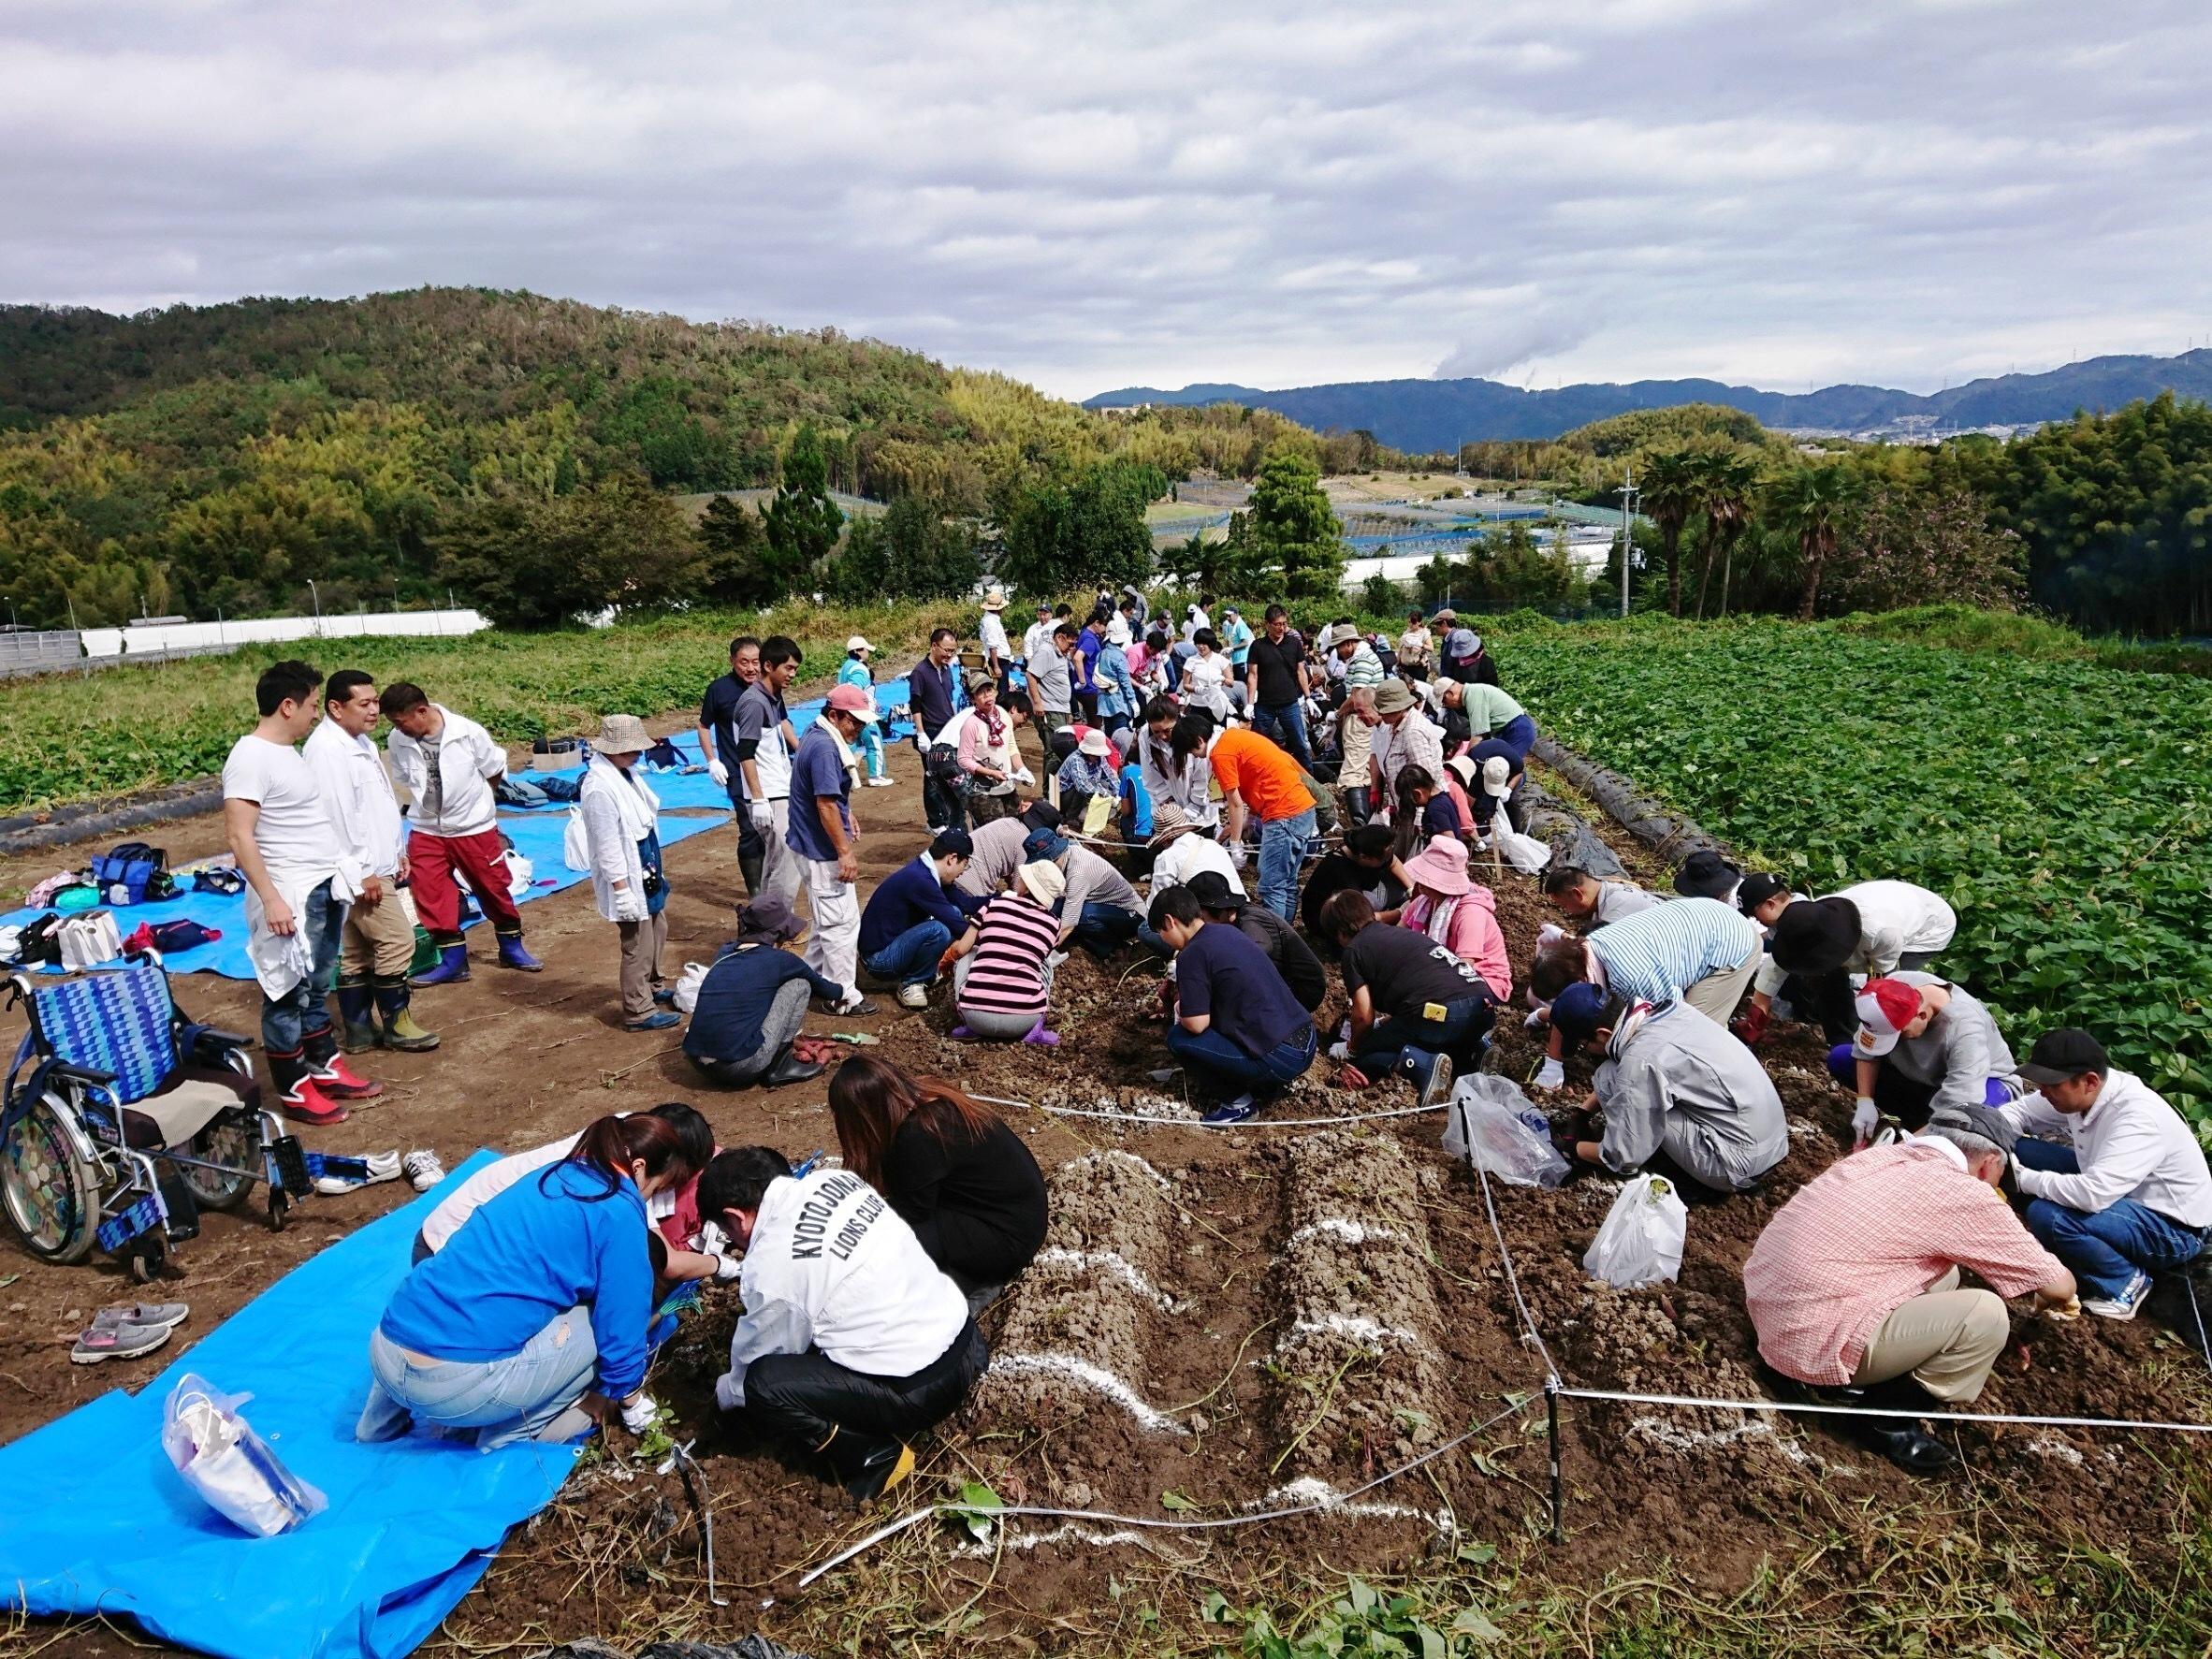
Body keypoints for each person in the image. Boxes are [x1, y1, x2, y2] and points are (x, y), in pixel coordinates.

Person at [1744, 1123, 2076, 1473]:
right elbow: (2060, 1287)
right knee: (1986, 1315)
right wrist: (2046, 1305)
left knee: (1945, 1274)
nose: (1996, 1186)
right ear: (1988, 1164)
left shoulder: (1882, 1157)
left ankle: (1838, 1374)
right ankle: (1886, 1423)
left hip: (1770, 1310)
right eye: (1999, 1177)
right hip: (1807, 1345)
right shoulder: (1966, 1193)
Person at [357, 1114, 699, 1449]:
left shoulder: (549, 1176)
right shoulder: (618, 1208)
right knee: (595, 1323)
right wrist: (632, 1402)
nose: (649, 1200)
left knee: (434, 1302)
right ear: (639, 1168)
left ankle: (376, 1427)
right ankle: (511, 1436)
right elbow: (621, 1324)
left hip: (386, 1349)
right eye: (657, 1188)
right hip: (453, 1390)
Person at [701, 1145, 984, 1497]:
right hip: (967, 1342)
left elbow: (755, 1364)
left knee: (765, 1386)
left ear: (736, 1217)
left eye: (728, 1234)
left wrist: (724, 1397)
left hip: (920, 1390)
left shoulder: (771, 1267)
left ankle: (875, 1456)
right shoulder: (837, 1180)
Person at [225, 660, 379, 1126]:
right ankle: (293, 1087)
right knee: (286, 991)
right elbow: (240, 837)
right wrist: (272, 898)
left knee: (316, 985)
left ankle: (323, 1066)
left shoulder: (287, 752)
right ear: (287, 705)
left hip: (320, 885)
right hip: (289, 891)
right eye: (312, 705)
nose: (315, 715)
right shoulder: (250, 757)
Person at [1999, 1028, 2212, 1319]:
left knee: (2050, 1215)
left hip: (2170, 1227)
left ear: (2089, 1081)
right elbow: (2017, 1113)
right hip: (2118, 1192)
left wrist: (2022, 1180)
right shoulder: (2084, 1095)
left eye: (2051, 1085)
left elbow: (2092, 1195)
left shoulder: (2137, 1118)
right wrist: (1993, 1144)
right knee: (2020, 1150)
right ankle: (2078, 1253)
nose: (2042, 1091)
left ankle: (2125, 1282)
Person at [827, 1056, 1047, 1312]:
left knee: (895, 1248)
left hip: (1007, 1239)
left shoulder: (918, 1134)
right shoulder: (930, 1098)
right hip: (1020, 1218)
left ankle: (966, 1286)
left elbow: (910, 1215)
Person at [303, 669, 436, 1055]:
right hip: (360, 872)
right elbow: (339, 818)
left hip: (376, 865)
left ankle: (360, 1030)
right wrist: (363, 872)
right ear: (335, 707)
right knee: (397, 940)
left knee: (358, 950)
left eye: (376, 701)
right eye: (365, 703)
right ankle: (398, 1023)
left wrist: (397, 850)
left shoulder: (357, 741)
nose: (375, 709)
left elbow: (375, 805)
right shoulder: (328, 751)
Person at [1549, 983, 1787, 1197]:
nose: (1587, 1051)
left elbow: (1622, 1156)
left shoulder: (1641, 1060)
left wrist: (1573, 1149)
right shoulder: (1673, 1011)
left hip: (1736, 1166)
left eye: (1583, 1044)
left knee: (1615, 1087)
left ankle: (1690, 1181)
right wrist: (1582, 1112)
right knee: (1610, 1074)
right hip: (1771, 1143)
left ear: (1603, 1034)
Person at [415, 1101, 720, 1264]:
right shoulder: (616, 1183)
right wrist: (718, 1265)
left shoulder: (623, 1130)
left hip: (445, 1233)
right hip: (446, 1252)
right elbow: (667, 1262)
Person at [384, 680, 543, 982]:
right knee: (430, 891)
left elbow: (494, 768)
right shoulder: (398, 740)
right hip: (427, 828)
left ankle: (511, 946)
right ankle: (454, 961)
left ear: (421, 711)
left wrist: (481, 806)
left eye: (400, 722)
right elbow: (405, 777)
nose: (397, 729)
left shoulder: (467, 733)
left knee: (491, 886)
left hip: (473, 827)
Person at [1527, 896, 1761, 1090]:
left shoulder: (1635, 979)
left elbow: (1670, 1020)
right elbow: (1571, 1002)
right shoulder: (1582, 953)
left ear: (1581, 980)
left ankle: (1730, 1083)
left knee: (1689, 1038)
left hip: (1730, 940)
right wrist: (1553, 1062)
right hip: (1699, 920)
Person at [1145, 885, 1317, 1124]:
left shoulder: (1192, 955)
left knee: (1179, 1039)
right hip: (1306, 1039)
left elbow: (1196, 1024)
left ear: (1170, 921)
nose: (1163, 939)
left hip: (1282, 1058)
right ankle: (1263, 1083)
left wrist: (1178, 1009)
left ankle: (1238, 1105)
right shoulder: (1228, 932)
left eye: (1160, 932)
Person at [1317, 889, 1486, 1104]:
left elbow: (1363, 1017)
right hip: (1480, 1006)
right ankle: (1474, 1052)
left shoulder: (1355, 951)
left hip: (1440, 1013)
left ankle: (1421, 1064)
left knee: (1370, 1052)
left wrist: (1352, 1049)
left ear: (1340, 934)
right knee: (1422, 1032)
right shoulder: (1405, 935)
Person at [1745, 880, 1960, 1046]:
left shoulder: (1882, 933)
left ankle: (1873, 1047)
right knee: (1828, 982)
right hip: (1889, 900)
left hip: (1928, 927)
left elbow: (1880, 983)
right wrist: (1756, 1017)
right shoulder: (1807, 921)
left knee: (1892, 997)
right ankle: (1840, 1040)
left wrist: (1872, 1019)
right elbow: (1774, 969)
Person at [1831, 973, 2021, 1146]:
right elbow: (1865, 1051)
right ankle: (1920, 1119)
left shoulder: (1965, 1029)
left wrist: (1906, 1148)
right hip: (1925, 1078)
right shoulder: (1889, 992)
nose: (1896, 1041)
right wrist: (1865, 1100)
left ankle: (1925, 1128)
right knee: (1841, 1058)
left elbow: (1960, 1102)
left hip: (1982, 1085)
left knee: (1970, 1121)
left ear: (1921, 1015)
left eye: (1899, 1035)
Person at [575, 715, 677, 1030]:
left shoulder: (626, 774)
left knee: (657, 929)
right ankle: (638, 1009)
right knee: (637, 944)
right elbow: (607, 847)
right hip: (629, 875)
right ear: (610, 750)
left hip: (646, 866)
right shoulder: (599, 790)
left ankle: (654, 986)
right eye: (630, 749)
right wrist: (621, 890)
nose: (637, 755)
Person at [684, 896, 844, 1087]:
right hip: (739, 1068)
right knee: (800, 985)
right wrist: (845, 990)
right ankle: (780, 1066)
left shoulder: (725, 953)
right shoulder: (780, 960)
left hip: (698, 1063)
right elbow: (829, 991)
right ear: (778, 933)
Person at [789, 685, 880, 1015]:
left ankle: (810, 980)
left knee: (827, 920)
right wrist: (844, 851)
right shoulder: (826, 747)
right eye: (853, 721)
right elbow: (825, 803)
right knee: (841, 925)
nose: (859, 728)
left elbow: (831, 796)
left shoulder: (817, 732)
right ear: (834, 715)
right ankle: (841, 996)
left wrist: (847, 812)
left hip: (808, 843)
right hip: (820, 850)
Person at [1199, 719, 1317, 924]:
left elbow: (1234, 804)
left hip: (1284, 815)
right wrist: (1250, 820)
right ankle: (1286, 935)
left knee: (1271, 885)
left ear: (1199, 741)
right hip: (1301, 808)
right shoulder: (1234, 737)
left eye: (1192, 752)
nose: (1196, 757)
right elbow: (1260, 777)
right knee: (1286, 882)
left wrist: (1235, 846)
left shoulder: (1220, 754)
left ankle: (1276, 941)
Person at [859, 829, 982, 1010]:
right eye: (965, 864)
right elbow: (959, 928)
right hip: (878, 960)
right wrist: (994, 944)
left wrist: (1001, 900)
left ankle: (926, 972)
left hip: (893, 944)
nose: (963, 872)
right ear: (952, 859)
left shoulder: (928, 872)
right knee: (939, 929)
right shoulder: (920, 880)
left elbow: (966, 905)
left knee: (953, 912)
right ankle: (911, 984)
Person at [953, 860, 1066, 1045]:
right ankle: (1035, 1030)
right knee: (1043, 965)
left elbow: (961, 948)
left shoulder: (994, 905)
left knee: (970, 953)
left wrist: (949, 959)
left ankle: (970, 1026)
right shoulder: (1054, 924)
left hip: (976, 1016)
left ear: (1027, 887)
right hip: (1023, 1019)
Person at [1186, 870, 1326, 1011]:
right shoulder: (1232, 921)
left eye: (1201, 918)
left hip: (1303, 989)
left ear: (1216, 909)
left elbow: (1250, 960)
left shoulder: (1251, 922)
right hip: (1284, 983)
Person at [735, 635, 806, 910]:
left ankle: (763, 923)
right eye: (788, 668)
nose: (792, 674)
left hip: (778, 789)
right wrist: (759, 798)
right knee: (788, 861)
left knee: (776, 862)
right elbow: (746, 752)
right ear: (767, 665)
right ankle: (776, 926)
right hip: (769, 795)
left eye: (795, 669)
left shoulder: (772, 697)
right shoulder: (753, 703)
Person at [1398, 837, 1511, 1001]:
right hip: (1444, 972)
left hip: (1481, 981)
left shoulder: (1470, 912)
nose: (1420, 881)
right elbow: (1397, 936)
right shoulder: (1424, 901)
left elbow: (1464, 967)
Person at [697, 634, 766, 890]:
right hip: (737, 771)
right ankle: (755, 893)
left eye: (756, 662)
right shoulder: (719, 690)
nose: (751, 668)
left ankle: (772, 886)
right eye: (744, 662)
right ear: (732, 662)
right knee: (749, 829)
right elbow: (704, 726)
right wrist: (712, 760)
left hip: (768, 769)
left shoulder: (768, 686)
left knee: (773, 827)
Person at [1020, 824, 1144, 956]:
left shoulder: (1078, 873)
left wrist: (1039, 953)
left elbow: (1067, 925)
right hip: (1103, 905)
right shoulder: (1069, 854)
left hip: (1131, 915)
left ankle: (1116, 948)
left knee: (1082, 916)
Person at [942, 676, 1033, 826]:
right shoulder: (972, 724)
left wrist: (1022, 768)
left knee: (1016, 827)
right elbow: (963, 760)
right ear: (973, 699)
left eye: (989, 690)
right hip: (984, 791)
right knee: (996, 834)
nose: (986, 696)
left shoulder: (1003, 715)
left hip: (1007, 786)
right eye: (980, 692)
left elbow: (1011, 746)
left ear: (995, 692)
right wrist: (991, 773)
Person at [1301, 822, 1410, 938]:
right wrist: (1401, 913)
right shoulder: (1341, 872)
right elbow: (1360, 918)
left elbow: (1393, 863)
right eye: (1382, 860)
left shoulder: (1363, 848)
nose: (1386, 860)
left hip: (1361, 901)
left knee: (1401, 886)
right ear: (1364, 857)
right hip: (1332, 922)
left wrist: (1411, 888)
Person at [1244, 604, 1314, 768]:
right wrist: (1250, 703)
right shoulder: (1258, 646)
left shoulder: (1294, 643)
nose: (1281, 628)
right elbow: (1253, 675)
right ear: (1267, 624)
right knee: (1256, 744)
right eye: (1277, 624)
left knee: (1301, 745)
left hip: (1289, 703)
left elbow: (1300, 671)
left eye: (1284, 623)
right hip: (1265, 705)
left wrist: (1308, 696)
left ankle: (1310, 780)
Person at [910, 629, 964, 831]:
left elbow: (950, 698)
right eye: (946, 650)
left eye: (952, 651)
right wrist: (921, 732)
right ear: (934, 646)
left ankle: (948, 816)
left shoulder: (947, 669)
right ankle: (935, 822)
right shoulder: (920, 672)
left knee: (949, 773)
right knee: (933, 776)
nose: (949, 654)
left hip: (947, 728)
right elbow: (915, 704)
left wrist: (955, 721)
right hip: (931, 729)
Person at [1332, 624, 1386, 822]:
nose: (1338, 652)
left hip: (1360, 719)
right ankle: (1370, 822)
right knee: (1364, 771)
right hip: (1365, 719)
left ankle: (1360, 824)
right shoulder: (1365, 657)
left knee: (1352, 773)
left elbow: (1357, 697)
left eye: (1339, 647)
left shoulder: (1362, 661)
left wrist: (1337, 714)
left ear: (1348, 644)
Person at [1137, 696, 1212, 832]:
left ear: (1177, 720)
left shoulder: (1192, 733)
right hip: (1171, 812)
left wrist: (1193, 808)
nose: (1163, 736)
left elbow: (1203, 778)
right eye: (1156, 731)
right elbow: (1152, 779)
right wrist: (1172, 806)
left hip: (1200, 812)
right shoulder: (1144, 736)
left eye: (1167, 730)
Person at [1369, 678, 1445, 810]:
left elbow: (1423, 784)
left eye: (1383, 711)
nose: (1379, 714)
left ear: (1396, 709)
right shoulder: (1397, 724)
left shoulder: (1412, 732)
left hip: (1420, 811)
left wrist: (1414, 821)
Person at [838, 636, 895, 789]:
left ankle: (848, 778)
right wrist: (861, 711)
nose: (867, 652)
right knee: (874, 742)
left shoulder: (846, 666)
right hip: (860, 713)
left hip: (846, 713)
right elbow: (854, 690)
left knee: (851, 744)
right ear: (857, 651)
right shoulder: (859, 669)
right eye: (865, 650)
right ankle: (876, 776)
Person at [1542, 866, 1666, 931]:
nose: (1567, 911)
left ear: (1577, 894)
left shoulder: (1616, 909)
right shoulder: (1611, 891)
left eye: (1565, 905)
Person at [1056, 728, 1120, 832]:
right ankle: (1070, 818)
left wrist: (1117, 793)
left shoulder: (1100, 758)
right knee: (1087, 787)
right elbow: (1082, 786)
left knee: (1105, 784)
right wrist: (1106, 795)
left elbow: (1110, 776)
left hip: (1084, 789)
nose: (1097, 756)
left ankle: (1088, 813)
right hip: (1064, 795)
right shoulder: (1076, 759)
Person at [1028, 621, 1078, 746]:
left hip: (1059, 710)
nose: (1072, 648)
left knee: (1058, 750)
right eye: (1070, 644)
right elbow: (1031, 675)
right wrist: (1037, 703)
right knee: (1054, 752)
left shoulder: (1060, 653)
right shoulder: (1046, 651)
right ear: (1060, 637)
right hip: (1050, 710)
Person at [1178, 627, 1235, 722]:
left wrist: (1222, 679)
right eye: (1198, 643)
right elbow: (1185, 685)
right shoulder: (1191, 661)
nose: (1201, 646)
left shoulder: (1220, 660)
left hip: (1217, 704)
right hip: (1198, 705)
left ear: (1211, 644)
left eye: (1204, 644)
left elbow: (1231, 683)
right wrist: (1196, 689)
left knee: (1218, 733)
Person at [1096, 617, 1138, 735]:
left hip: (1104, 702)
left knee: (1109, 737)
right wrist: (1133, 701)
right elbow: (1125, 682)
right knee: (1120, 739)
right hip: (1119, 703)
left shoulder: (1100, 654)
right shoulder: (1119, 657)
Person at [978, 588, 1012, 683]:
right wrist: (996, 667)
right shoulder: (991, 622)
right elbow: (992, 646)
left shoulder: (989, 618)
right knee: (1002, 690)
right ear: (1000, 608)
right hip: (999, 659)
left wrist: (1004, 632)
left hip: (998, 658)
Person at [1220, 605, 1255, 682]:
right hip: (1236, 660)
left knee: (1243, 684)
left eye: (1230, 616)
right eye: (1227, 616)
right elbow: (1229, 641)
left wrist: (1232, 648)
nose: (1228, 618)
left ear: (1236, 614)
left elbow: (1245, 642)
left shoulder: (1240, 625)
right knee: (1238, 683)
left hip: (1243, 660)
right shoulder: (1230, 626)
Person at [1396, 611, 1433, 679]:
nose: (1410, 625)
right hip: (1405, 666)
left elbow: (1431, 648)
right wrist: (1397, 663)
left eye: (1413, 622)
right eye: (1409, 622)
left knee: (1419, 687)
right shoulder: (1406, 633)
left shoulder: (1424, 633)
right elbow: (1401, 650)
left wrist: (1420, 644)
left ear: (1419, 622)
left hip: (1418, 667)